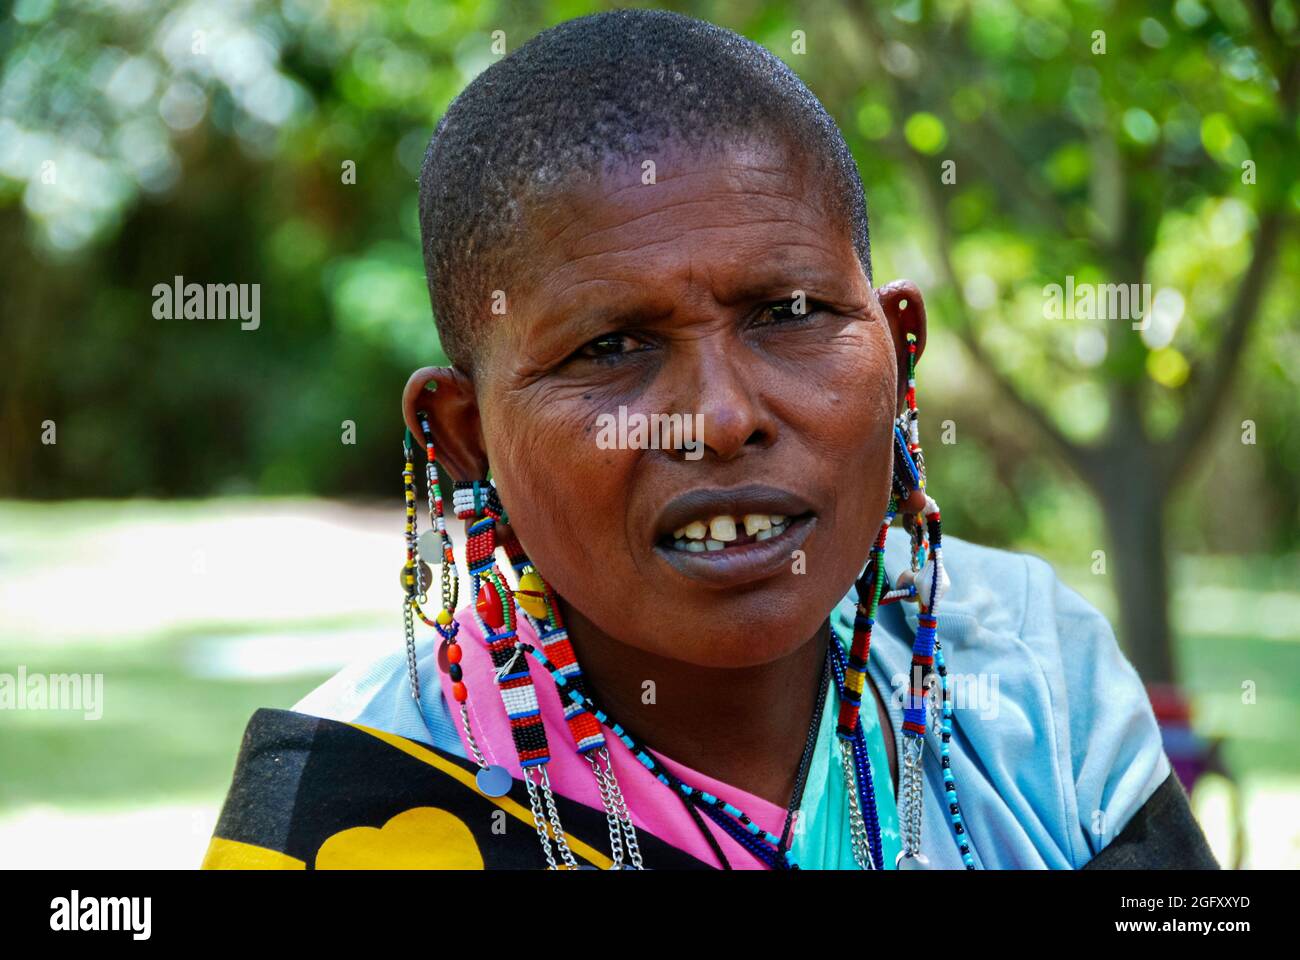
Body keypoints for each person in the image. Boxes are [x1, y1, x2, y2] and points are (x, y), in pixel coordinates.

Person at [202, 9, 1217, 870]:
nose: (724, 417)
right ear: (463, 438)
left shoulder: (1031, 674)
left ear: (898, 353)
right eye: (610, 347)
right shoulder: (351, 802)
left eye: (788, 311)